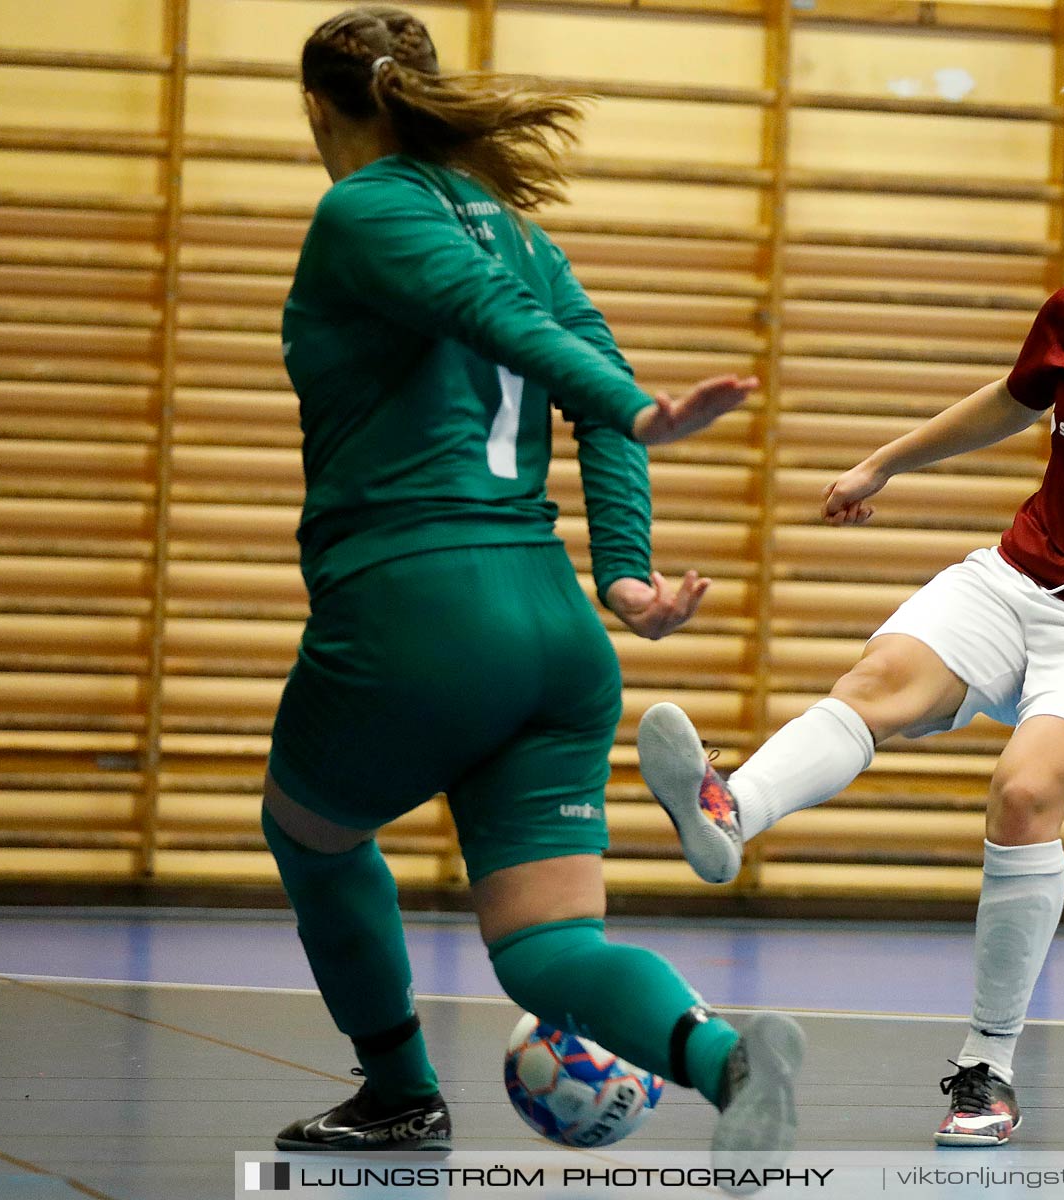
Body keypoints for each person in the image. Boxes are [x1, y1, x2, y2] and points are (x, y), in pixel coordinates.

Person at [639, 66, 1064, 1145]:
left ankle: (984, 1070)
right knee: (875, 685)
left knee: (1022, 790)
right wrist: (884, 463)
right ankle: (732, 812)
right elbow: (1010, 401)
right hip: (1016, 577)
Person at [262, 6, 801, 1184]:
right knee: (548, 942)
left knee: (309, 831)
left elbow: (487, 320)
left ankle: (399, 1092)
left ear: (316, 107)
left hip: (417, 610)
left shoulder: (363, 210)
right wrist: (622, 571)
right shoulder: (521, 235)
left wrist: (635, 410)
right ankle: (722, 1065)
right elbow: (582, 373)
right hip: (556, 634)